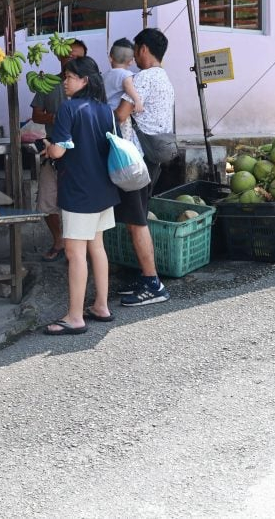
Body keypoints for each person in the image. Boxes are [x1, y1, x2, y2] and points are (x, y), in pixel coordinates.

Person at [42, 57, 120, 335]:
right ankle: (101, 305)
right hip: (104, 189)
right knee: (97, 247)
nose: (65, 82)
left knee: (75, 253)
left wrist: (48, 147)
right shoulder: (106, 109)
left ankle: (75, 316)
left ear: (84, 80)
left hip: (78, 190)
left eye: (70, 77)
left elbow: (59, 151)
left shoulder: (69, 108)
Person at [113, 28, 176, 307]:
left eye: (136, 50)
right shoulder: (164, 78)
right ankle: (145, 276)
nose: (134, 57)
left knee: (137, 221)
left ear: (143, 49)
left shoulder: (143, 78)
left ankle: (153, 284)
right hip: (154, 158)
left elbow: (121, 114)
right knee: (137, 219)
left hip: (137, 161)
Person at [31, 39, 87, 260]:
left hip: (81, 152)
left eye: (78, 57)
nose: (72, 60)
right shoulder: (48, 83)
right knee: (46, 201)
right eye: (69, 56)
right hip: (52, 149)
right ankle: (59, 241)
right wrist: (55, 118)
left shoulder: (90, 85)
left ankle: (79, 248)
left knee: (79, 202)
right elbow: (36, 114)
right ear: (60, 56)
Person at [104, 38, 144, 113]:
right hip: (116, 111)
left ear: (110, 58)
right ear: (131, 62)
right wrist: (137, 100)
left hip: (105, 111)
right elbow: (127, 85)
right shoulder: (127, 75)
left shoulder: (104, 76)